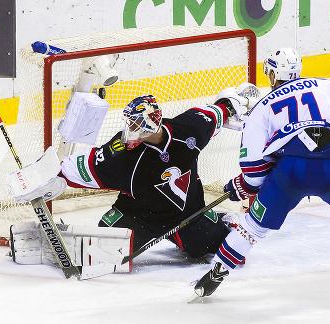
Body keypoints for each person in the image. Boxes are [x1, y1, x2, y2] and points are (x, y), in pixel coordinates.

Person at [193, 48, 330, 302]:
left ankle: (215, 275)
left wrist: (244, 185)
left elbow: (252, 167)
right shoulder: (324, 86)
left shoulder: (262, 107)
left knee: (251, 228)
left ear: (273, 74)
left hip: (290, 173)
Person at [58, 91, 252, 259]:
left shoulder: (187, 131)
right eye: (130, 123)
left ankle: (221, 219)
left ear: (152, 122)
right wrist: (53, 174)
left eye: (135, 124)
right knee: (105, 251)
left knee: (209, 251)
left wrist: (227, 105)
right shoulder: (121, 153)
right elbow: (86, 166)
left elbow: (212, 115)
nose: (130, 129)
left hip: (187, 216)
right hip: (139, 216)